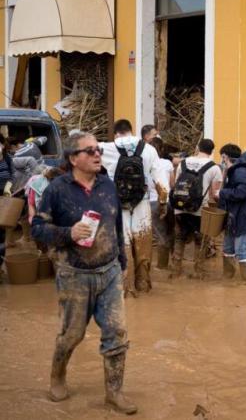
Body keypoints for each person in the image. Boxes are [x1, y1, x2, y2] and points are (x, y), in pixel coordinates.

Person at [31, 132, 136, 415]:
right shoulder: (57, 189)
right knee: (72, 334)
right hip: (74, 274)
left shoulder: (107, 185)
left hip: (109, 271)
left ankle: (114, 392)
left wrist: (123, 264)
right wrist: (69, 232)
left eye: (98, 149)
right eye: (89, 151)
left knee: (117, 332)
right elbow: (37, 229)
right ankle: (57, 375)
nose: (96, 154)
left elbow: (116, 226)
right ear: (73, 158)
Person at [101, 119, 168, 296]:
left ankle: (125, 288)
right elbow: (161, 182)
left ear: (116, 133)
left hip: (117, 204)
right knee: (143, 243)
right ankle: (143, 285)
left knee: (122, 243)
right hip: (142, 202)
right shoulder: (149, 149)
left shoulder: (106, 148)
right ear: (132, 131)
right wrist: (162, 203)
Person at [169, 139, 223, 278]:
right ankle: (198, 271)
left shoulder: (183, 162)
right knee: (201, 240)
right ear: (212, 151)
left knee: (179, 238)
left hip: (180, 208)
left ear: (198, 148)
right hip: (199, 210)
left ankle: (176, 272)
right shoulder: (214, 167)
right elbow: (215, 193)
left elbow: (176, 184)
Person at [218, 143, 246, 283]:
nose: (221, 161)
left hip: (243, 215)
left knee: (241, 249)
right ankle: (228, 276)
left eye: (222, 157)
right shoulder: (233, 171)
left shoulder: (240, 171)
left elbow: (243, 191)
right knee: (228, 248)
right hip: (233, 215)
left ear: (225, 157)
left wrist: (222, 193)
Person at [149, 137, 174, 270]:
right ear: (162, 149)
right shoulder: (167, 163)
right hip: (169, 201)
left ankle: (162, 265)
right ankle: (175, 262)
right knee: (171, 231)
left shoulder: (145, 164)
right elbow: (172, 184)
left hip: (153, 202)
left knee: (160, 233)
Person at [0, 135, 14, 268]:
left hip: (4, 198)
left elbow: (13, 174)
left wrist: (9, 185)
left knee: (2, 231)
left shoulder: (8, 159)